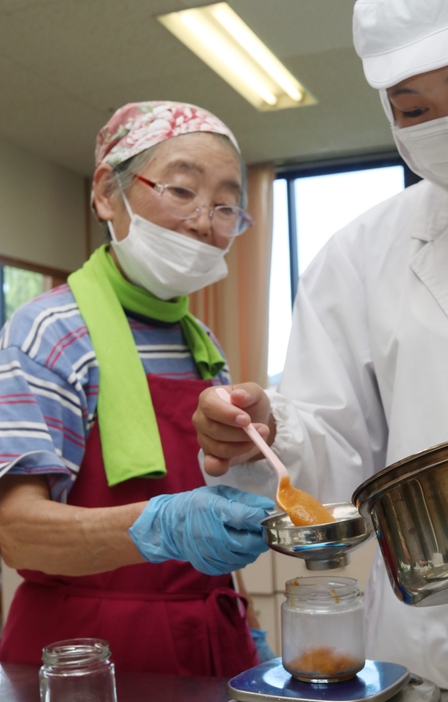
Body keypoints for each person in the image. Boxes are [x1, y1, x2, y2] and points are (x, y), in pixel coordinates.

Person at [194, 0, 448, 693]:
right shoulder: (358, 255)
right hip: (427, 668)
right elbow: (336, 466)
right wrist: (269, 431)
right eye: (412, 109)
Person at [0, 101, 275, 676]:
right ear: (106, 193)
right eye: (182, 190)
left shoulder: (201, 341)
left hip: (210, 638)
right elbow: (17, 532)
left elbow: (214, 512)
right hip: (85, 652)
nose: (205, 221)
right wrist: (160, 526)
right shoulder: (50, 332)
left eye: (227, 205)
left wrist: (246, 621)